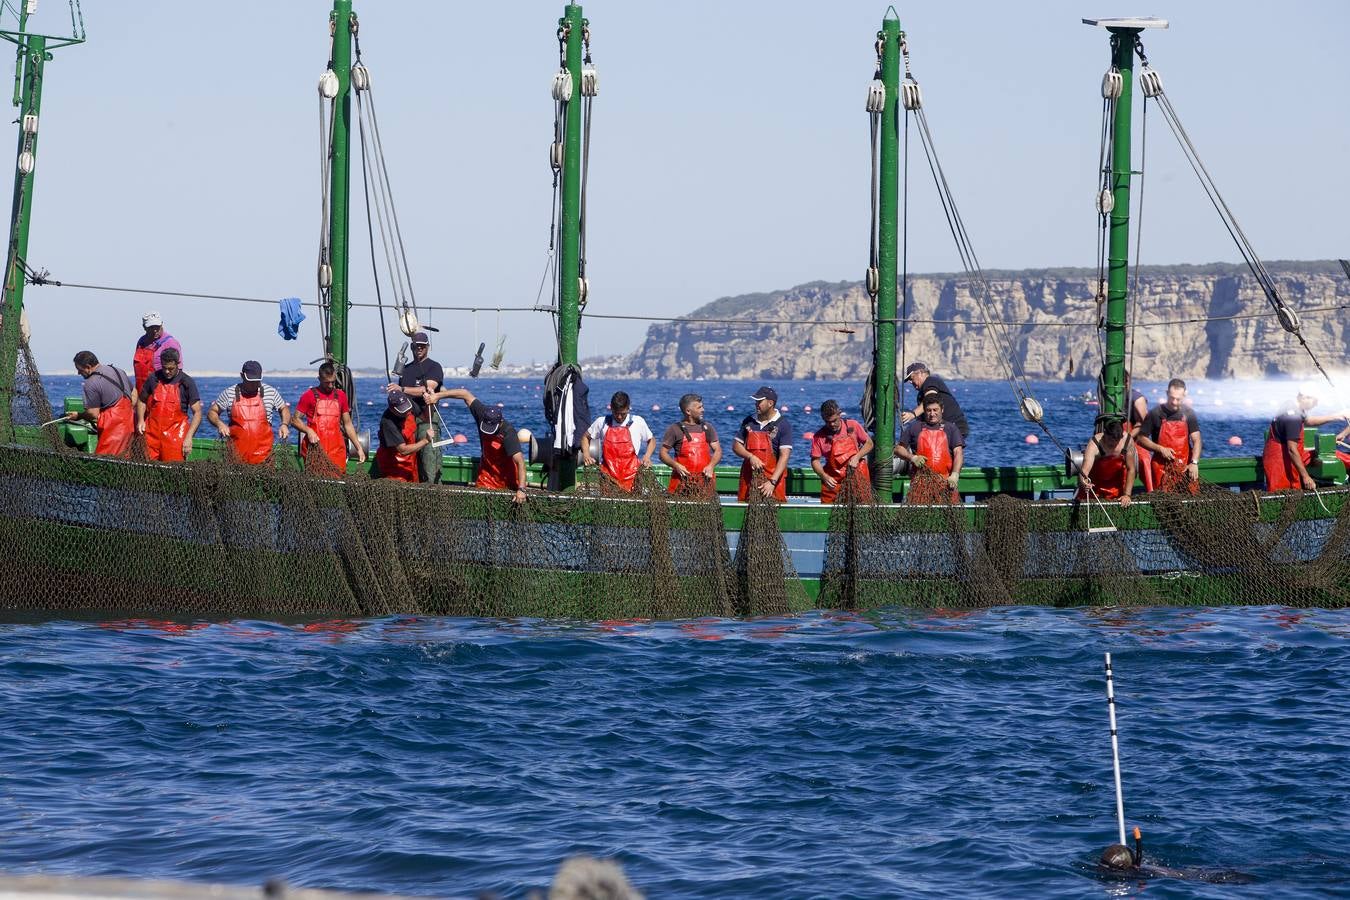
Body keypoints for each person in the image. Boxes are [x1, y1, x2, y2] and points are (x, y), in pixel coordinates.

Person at [437, 387, 527, 503]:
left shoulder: (508, 433)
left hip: (505, 477)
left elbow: (520, 462)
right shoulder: (482, 413)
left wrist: (521, 489)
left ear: (500, 423)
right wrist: (438, 396)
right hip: (486, 474)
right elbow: (465, 394)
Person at [206, 360, 290, 465]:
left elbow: (284, 408)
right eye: (250, 380)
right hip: (235, 457)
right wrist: (220, 424)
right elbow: (212, 412)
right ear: (242, 376)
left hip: (264, 459)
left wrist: (284, 424)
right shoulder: (230, 393)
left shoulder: (270, 392)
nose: (254, 384)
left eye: (257, 380)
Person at [1262, 385, 1344, 491]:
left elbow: (1309, 421)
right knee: (1281, 495)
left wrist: (1337, 416)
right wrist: (1306, 476)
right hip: (1280, 462)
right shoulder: (1293, 417)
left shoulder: (1290, 405)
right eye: (1315, 401)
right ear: (1304, 398)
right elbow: (1292, 449)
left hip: (1282, 455)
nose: (1316, 404)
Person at [291, 361, 366, 475]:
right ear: (319, 379)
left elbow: (347, 424)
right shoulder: (308, 396)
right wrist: (308, 430)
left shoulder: (341, 396)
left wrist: (358, 447)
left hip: (337, 452)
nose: (330, 386)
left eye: (333, 382)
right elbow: (294, 420)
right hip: (315, 451)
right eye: (327, 383)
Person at [388, 331, 444, 484]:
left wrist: (402, 389)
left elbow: (428, 389)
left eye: (422, 346)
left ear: (428, 347)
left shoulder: (434, 367)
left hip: (427, 419)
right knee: (410, 460)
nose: (418, 349)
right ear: (411, 347)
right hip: (408, 420)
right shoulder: (405, 370)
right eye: (415, 346)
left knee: (429, 462)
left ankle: (433, 492)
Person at [893, 392, 964, 504]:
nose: (932, 414)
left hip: (945, 484)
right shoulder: (914, 427)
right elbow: (898, 449)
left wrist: (955, 474)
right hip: (920, 484)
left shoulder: (951, 428)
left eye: (935, 410)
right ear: (924, 411)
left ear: (942, 409)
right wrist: (912, 458)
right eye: (928, 410)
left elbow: (958, 453)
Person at [134, 348, 202, 462]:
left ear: (177, 364)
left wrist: (189, 437)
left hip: (175, 438)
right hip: (152, 435)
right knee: (146, 467)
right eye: (164, 368)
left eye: (171, 369)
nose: (167, 372)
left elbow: (198, 412)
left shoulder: (187, 382)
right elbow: (141, 401)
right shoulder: (153, 378)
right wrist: (140, 420)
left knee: (174, 471)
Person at [580, 391, 655, 492]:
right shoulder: (601, 422)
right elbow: (585, 437)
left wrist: (647, 456)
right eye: (616, 413)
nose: (619, 417)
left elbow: (652, 440)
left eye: (623, 414)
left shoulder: (638, 422)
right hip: (607, 477)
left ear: (628, 408)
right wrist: (586, 455)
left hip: (633, 477)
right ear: (611, 408)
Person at [1135, 378, 1201, 494]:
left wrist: (1194, 462)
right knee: (1163, 505)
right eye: (1172, 398)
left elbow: (1197, 440)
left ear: (1184, 395)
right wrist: (1160, 449)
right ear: (1166, 393)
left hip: (1184, 467)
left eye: (1178, 399)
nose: (1174, 402)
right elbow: (1141, 439)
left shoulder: (1189, 414)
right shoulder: (1155, 413)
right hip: (1161, 468)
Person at [66, 350, 135, 457]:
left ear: (88, 367)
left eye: (79, 370)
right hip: (130, 424)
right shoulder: (119, 371)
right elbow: (134, 393)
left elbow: (93, 414)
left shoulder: (90, 383)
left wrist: (78, 416)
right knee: (126, 459)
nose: (78, 373)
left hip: (113, 430)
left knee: (106, 462)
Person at [732, 386, 791, 501]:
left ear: (770, 403)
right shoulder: (748, 421)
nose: (756, 404)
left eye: (759, 401)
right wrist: (750, 456)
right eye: (756, 401)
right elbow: (736, 446)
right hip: (749, 480)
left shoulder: (783, 425)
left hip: (772, 482)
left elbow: (785, 456)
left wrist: (772, 482)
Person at [809, 399, 874, 504]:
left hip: (856, 476)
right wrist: (824, 476)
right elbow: (815, 460)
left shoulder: (853, 425)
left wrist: (857, 457)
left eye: (834, 420)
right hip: (834, 480)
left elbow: (869, 443)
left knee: (862, 503)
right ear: (822, 418)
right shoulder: (819, 436)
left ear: (839, 414)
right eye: (827, 422)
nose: (832, 424)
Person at [660, 393, 721, 496]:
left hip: (704, 482)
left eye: (702, 406)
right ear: (688, 411)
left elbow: (718, 450)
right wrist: (676, 465)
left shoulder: (707, 427)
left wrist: (711, 466)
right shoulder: (675, 429)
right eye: (699, 407)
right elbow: (663, 454)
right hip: (681, 483)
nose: (703, 410)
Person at [900, 361, 969, 441]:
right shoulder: (921, 394)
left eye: (911, 378)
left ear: (920, 373)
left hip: (954, 426)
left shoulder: (930, 381)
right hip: (945, 428)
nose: (911, 382)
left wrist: (912, 414)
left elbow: (930, 399)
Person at [1077, 418, 1137, 506]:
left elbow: (1131, 469)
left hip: (1117, 488)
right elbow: (1084, 472)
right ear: (1105, 434)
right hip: (1094, 489)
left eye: (1116, 441)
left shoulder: (1127, 440)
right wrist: (1084, 483)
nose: (1113, 444)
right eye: (1110, 441)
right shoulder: (1094, 444)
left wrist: (1127, 495)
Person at [374, 390, 427, 483]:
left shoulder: (408, 403)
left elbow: (425, 417)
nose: (407, 412)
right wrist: (425, 441)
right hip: (394, 463)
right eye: (402, 410)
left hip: (411, 459)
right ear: (392, 409)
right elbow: (403, 450)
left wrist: (429, 403)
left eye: (407, 408)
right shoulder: (387, 422)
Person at [131, 312, 183, 394]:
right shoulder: (141, 341)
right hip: (141, 392)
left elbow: (178, 372)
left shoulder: (171, 343)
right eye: (151, 327)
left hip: (161, 393)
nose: (155, 330)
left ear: (162, 324)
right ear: (144, 327)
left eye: (157, 326)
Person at [1123, 370, 1154, 492]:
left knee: (1145, 460)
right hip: (1112, 438)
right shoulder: (1107, 398)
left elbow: (1144, 424)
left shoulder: (1137, 399)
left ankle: (1152, 493)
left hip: (1133, 440)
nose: (1125, 383)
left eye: (1126, 380)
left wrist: (1128, 437)